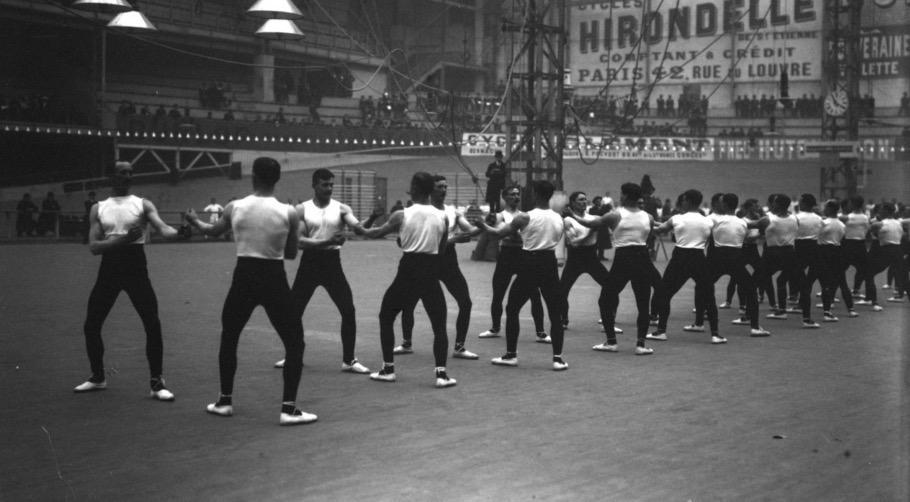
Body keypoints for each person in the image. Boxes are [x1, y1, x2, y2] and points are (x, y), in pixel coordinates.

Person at [185, 157, 316, 425]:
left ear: (253, 176)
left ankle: (224, 401)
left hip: (244, 275)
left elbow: (212, 231)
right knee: (294, 342)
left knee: (230, 337)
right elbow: (291, 254)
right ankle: (288, 408)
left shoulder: (235, 207)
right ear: (277, 179)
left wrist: (194, 220)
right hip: (273, 277)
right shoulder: (289, 212)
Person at [74, 161, 180, 401]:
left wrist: (181, 231)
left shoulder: (142, 204)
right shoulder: (98, 208)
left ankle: (157, 383)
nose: (128, 176)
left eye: (131, 173)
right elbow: (94, 247)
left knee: (152, 323)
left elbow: (163, 229)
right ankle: (98, 377)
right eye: (123, 173)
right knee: (91, 325)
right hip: (110, 269)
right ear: (113, 176)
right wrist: (122, 240)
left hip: (135, 268)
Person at [353, 172, 457, 388]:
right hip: (430, 270)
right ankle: (441, 374)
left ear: (416, 188)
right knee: (439, 324)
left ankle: (388, 369)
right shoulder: (443, 216)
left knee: (386, 316)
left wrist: (358, 228)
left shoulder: (401, 215)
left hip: (409, 268)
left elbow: (373, 234)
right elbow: (442, 248)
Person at [272, 168, 370, 375]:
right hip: (310, 263)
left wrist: (369, 222)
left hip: (332, 264)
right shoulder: (301, 209)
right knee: (294, 312)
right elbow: (299, 242)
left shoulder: (342, 208)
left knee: (348, 310)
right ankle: (293, 355)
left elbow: (357, 227)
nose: (329, 188)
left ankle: (349, 360)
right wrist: (327, 241)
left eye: (332, 185)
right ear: (315, 185)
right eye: (325, 185)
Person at [475, 180, 568, 371]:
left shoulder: (525, 217)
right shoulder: (559, 218)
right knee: (555, 312)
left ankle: (511, 355)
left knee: (513, 308)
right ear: (550, 195)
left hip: (529, 262)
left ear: (534, 194)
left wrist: (482, 226)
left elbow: (498, 234)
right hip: (549, 262)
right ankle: (558, 359)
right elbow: (556, 239)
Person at [393, 175, 480, 361]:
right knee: (408, 303)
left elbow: (471, 231)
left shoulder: (452, 212)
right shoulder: (420, 212)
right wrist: (454, 239)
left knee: (466, 302)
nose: (444, 190)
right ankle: (406, 342)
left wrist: (485, 225)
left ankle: (459, 346)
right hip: (427, 262)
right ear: (431, 190)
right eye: (440, 187)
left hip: (448, 262)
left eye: (445, 187)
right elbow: (405, 241)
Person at [570, 182, 663, 355]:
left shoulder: (615, 215)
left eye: (621, 194)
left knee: (605, 300)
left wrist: (571, 216)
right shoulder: (648, 216)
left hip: (624, 258)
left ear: (625, 196)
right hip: (642, 257)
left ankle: (611, 342)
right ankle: (640, 344)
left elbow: (591, 224)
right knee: (643, 303)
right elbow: (654, 231)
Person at [646, 190, 725, 344]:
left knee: (665, 293)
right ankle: (715, 334)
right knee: (709, 296)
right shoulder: (708, 221)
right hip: (699, 258)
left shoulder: (676, 218)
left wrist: (647, 223)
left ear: (686, 201)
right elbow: (711, 241)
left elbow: (659, 230)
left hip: (680, 258)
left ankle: (661, 331)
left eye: (682, 201)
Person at [476, 185, 547, 340]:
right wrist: (489, 225)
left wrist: (511, 232)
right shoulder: (500, 216)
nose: (516, 197)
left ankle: (540, 332)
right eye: (512, 194)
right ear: (505, 198)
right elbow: (500, 235)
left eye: (517, 194)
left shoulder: (525, 216)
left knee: (535, 294)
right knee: (498, 294)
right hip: (506, 256)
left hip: (523, 255)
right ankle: (495, 328)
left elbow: (515, 235)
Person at [699, 193, 770, 336]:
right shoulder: (742, 222)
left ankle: (699, 322)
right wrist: (764, 221)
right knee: (750, 290)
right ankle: (755, 327)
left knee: (702, 287)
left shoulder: (712, 218)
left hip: (717, 259)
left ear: (724, 205)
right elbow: (760, 225)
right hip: (735, 259)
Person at [755, 194, 820, 328]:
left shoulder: (767, 219)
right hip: (790, 254)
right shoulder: (794, 218)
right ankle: (806, 319)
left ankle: (749, 318)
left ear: (776, 205)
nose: (771, 205)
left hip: (772, 255)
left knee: (752, 284)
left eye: (773, 203)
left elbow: (749, 225)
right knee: (802, 286)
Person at [559, 191, 612, 331]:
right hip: (575, 258)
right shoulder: (568, 220)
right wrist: (590, 233)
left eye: (585, 199)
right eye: (580, 200)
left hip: (591, 258)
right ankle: (563, 319)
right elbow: (574, 243)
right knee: (562, 291)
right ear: (573, 203)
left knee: (611, 287)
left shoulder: (594, 218)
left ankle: (608, 317)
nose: (584, 202)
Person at [816, 199, 858, 320]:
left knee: (824, 283)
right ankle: (851, 309)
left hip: (824, 252)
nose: (823, 209)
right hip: (837, 252)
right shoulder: (842, 224)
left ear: (829, 209)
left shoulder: (823, 223)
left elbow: (817, 236)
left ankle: (827, 311)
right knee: (842, 281)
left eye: (825, 207)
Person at [860, 203, 907, 309]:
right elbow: (903, 235)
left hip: (887, 251)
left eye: (881, 210)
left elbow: (871, 234)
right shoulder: (899, 222)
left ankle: (874, 302)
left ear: (886, 211)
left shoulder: (878, 224)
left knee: (869, 274)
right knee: (903, 277)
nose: (879, 212)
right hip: (898, 250)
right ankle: (871, 300)